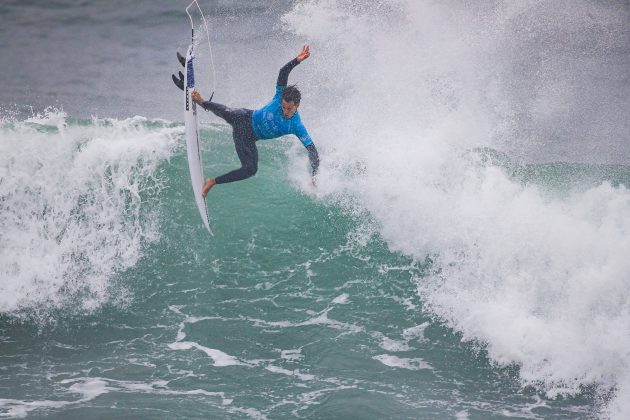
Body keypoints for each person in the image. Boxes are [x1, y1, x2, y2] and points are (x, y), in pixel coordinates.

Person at [191, 45, 320, 197]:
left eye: (289, 109)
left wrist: (314, 176)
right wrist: (297, 60)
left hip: (248, 138)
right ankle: (202, 102)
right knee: (229, 112)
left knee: (250, 170)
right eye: (284, 107)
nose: (285, 111)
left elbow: (313, 151)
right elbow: (283, 72)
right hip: (245, 118)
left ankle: (212, 182)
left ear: (297, 105)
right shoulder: (280, 95)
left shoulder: (296, 126)